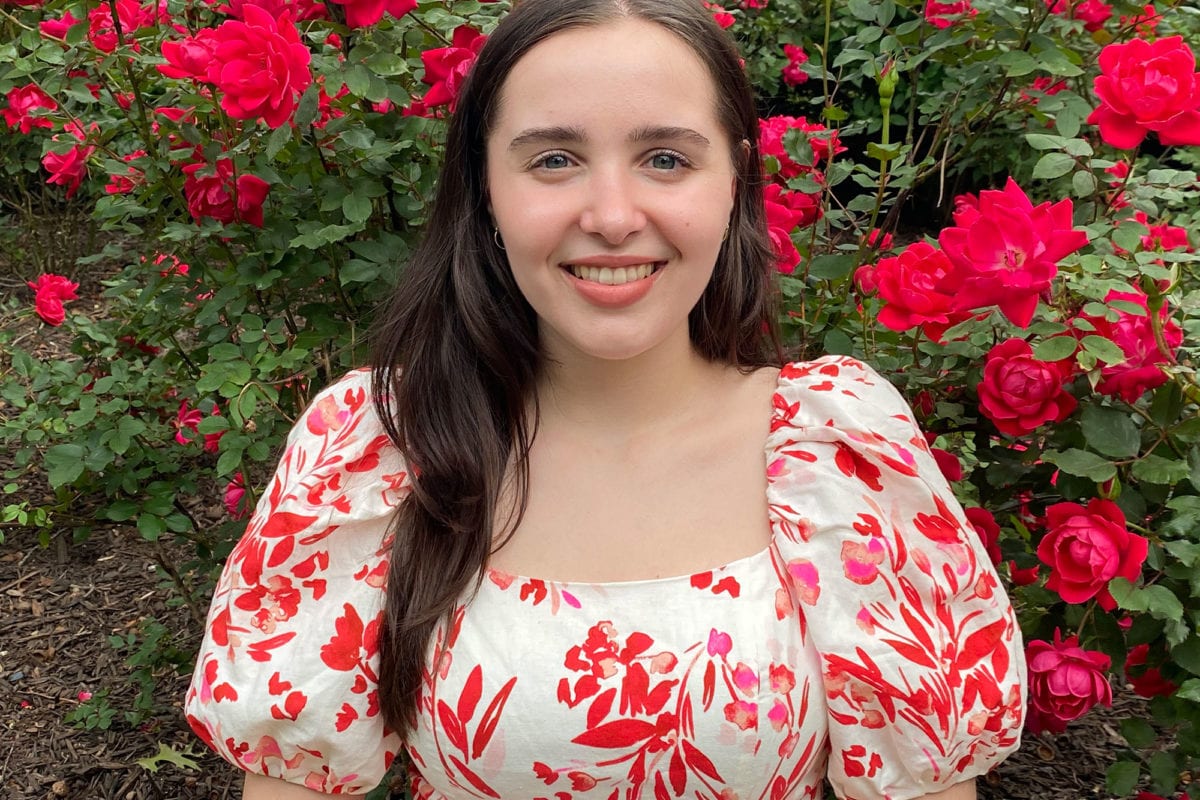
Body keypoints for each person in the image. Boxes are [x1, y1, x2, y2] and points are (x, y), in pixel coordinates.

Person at [185, 1, 1027, 798]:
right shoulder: (377, 451)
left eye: (666, 158)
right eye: (554, 159)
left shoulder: (845, 452)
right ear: (485, 190)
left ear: (733, 180)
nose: (615, 216)